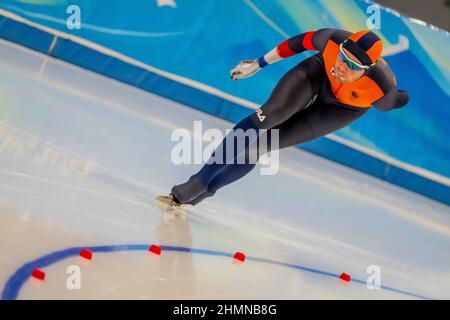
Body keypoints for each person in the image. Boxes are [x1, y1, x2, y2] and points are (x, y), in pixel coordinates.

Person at [156, 28, 409, 211]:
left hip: (343, 108)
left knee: (261, 146)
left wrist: (403, 96)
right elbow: (296, 44)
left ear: (367, 71)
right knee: (268, 116)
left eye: (353, 66)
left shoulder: (382, 91)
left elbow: (399, 100)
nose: (343, 67)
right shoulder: (331, 39)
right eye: (344, 57)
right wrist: (258, 64)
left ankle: (209, 190)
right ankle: (199, 179)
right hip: (317, 73)